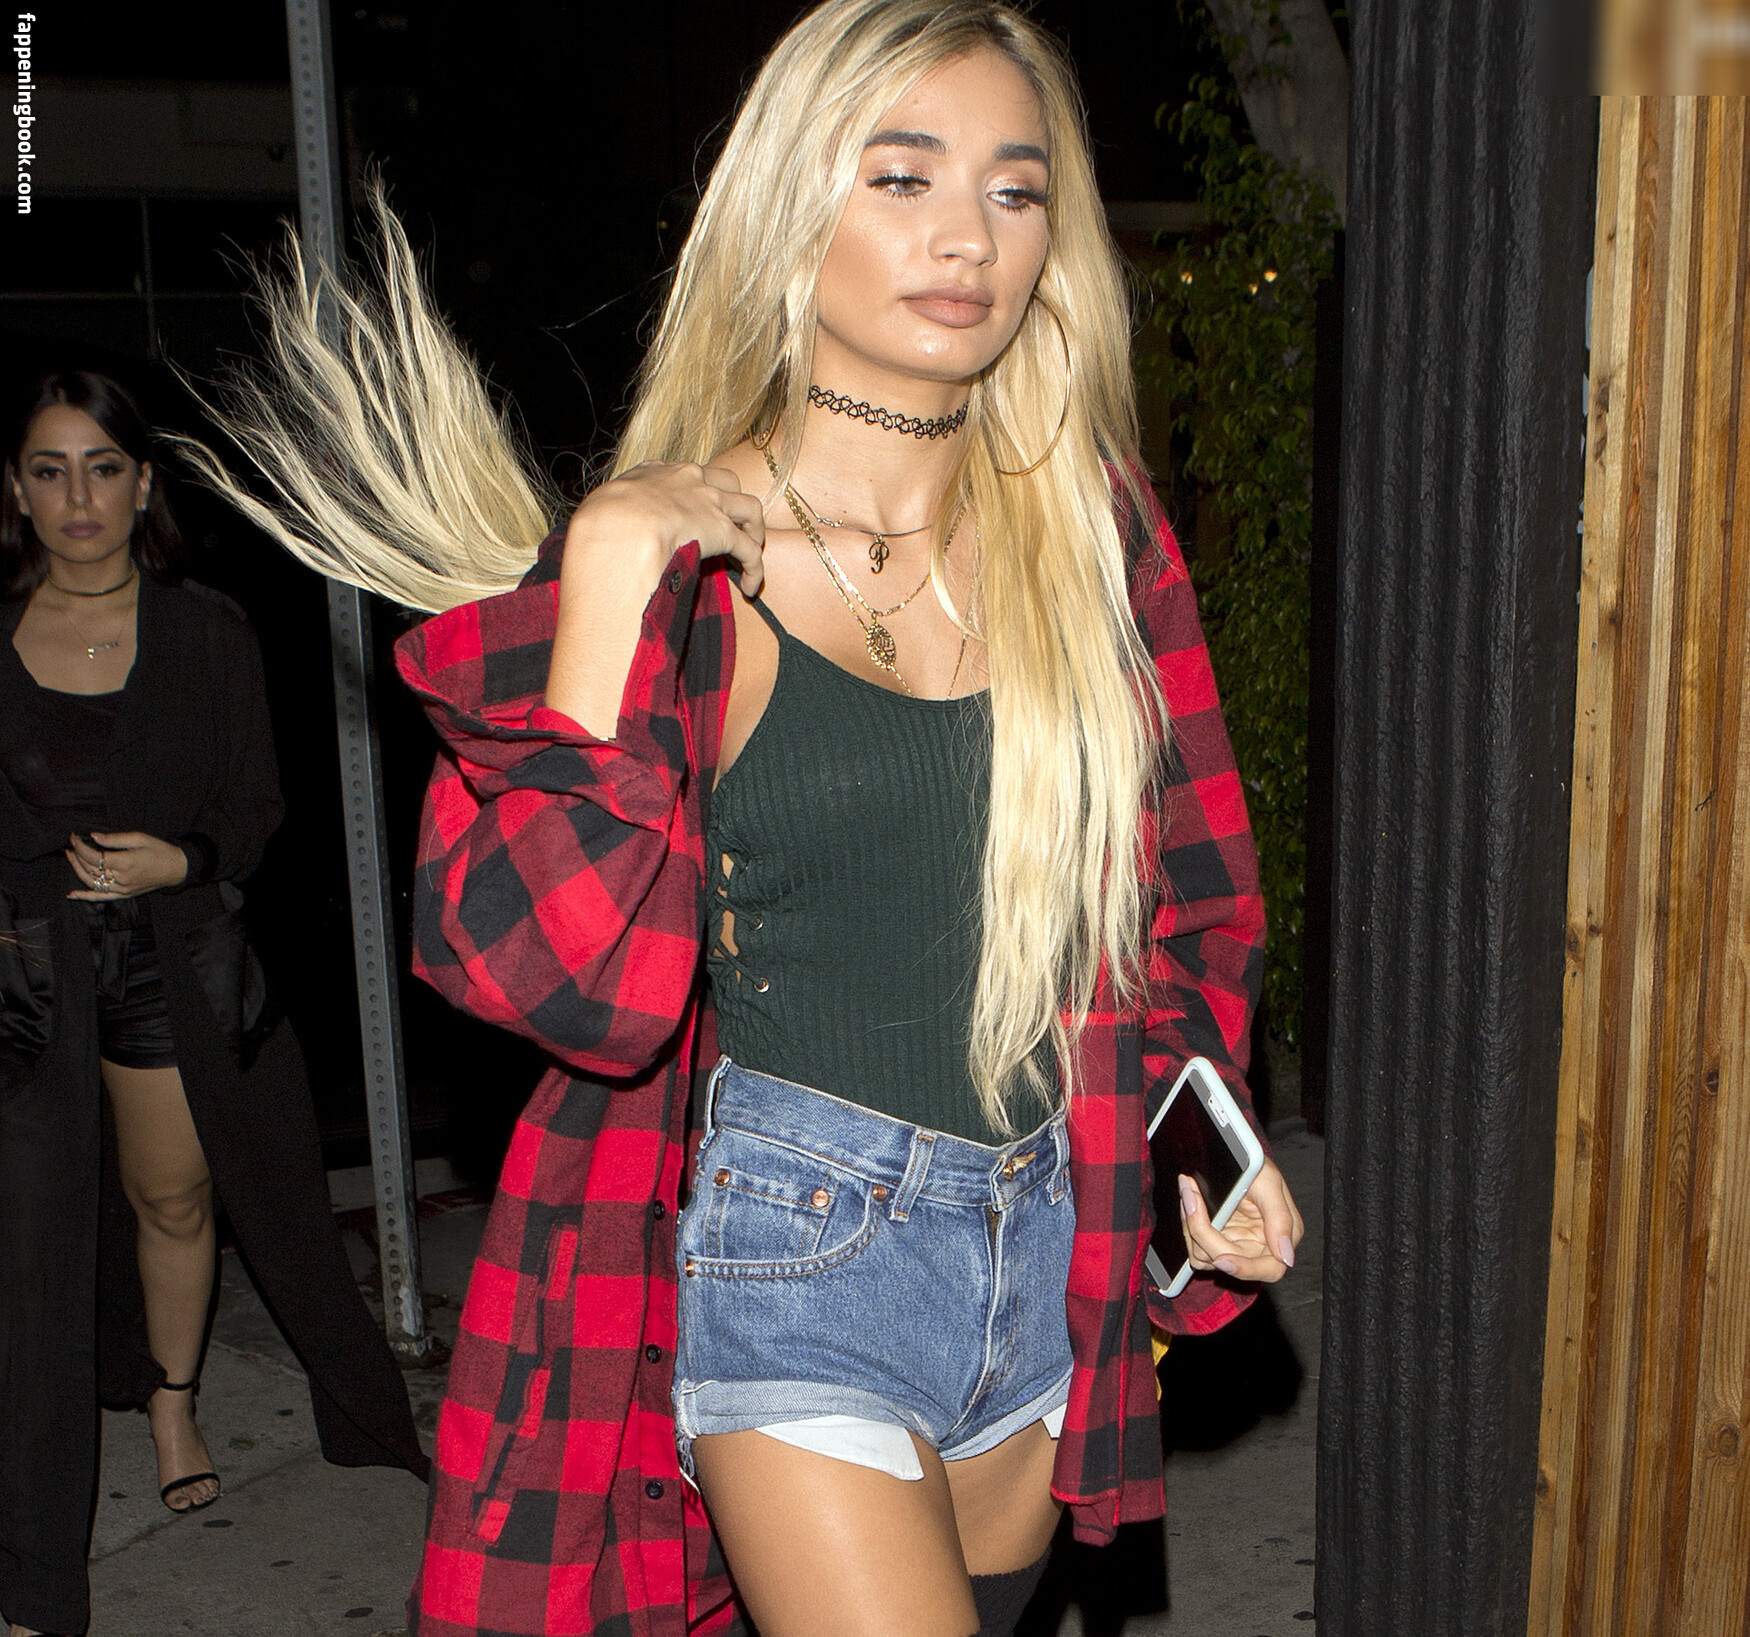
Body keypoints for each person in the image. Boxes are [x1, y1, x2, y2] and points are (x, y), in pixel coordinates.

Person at [187, 4, 1306, 1634]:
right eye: (903, 177)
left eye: (1014, 189)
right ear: (793, 206)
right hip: (798, 1252)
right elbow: (556, 983)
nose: (968, 236)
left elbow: (1192, 904)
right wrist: (606, 573)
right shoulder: (685, 574)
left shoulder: (1099, 542)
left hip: (1051, 1240)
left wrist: (1204, 1138)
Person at [0, 370, 426, 1637]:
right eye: (49, 469)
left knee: (175, 1197)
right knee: (31, 1253)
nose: (79, 496)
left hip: (170, 965)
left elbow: (258, 802)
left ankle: (173, 1396)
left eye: (103, 467)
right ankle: (31, 1547)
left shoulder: (207, 629)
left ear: (144, 485)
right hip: (26, 982)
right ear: (16, 491)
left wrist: (180, 858)